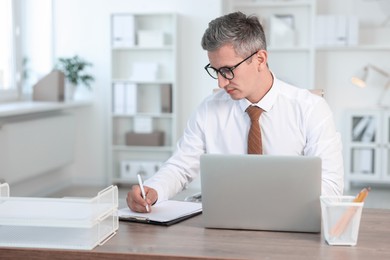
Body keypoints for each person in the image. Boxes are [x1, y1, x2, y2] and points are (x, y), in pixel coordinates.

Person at [127, 11, 344, 213]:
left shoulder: (310, 109)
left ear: (260, 59)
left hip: (289, 220)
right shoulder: (209, 110)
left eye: (227, 70)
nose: (221, 83)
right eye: (216, 71)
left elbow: (331, 187)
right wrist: (152, 190)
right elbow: (180, 166)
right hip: (224, 221)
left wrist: (280, 203)